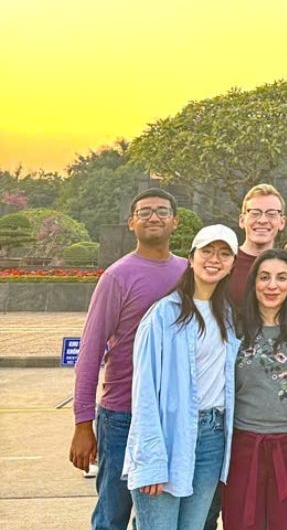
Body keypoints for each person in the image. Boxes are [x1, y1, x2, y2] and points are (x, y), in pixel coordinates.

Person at [70, 188, 187, 530]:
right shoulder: (117, 277)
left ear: (175, 222)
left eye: (162, 211)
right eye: (145, 211)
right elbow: (90, 353)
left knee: (156, 515)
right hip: (123, 413)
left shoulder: (189, 272)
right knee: (113, 512)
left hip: (171, 415)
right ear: (131, 222)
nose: (154, 217)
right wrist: (82, 424)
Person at [123, 225, 241, 529]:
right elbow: (144, 391)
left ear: (231, 265)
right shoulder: (163, 315)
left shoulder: (228, 316)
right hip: (169, 437)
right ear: (191, 257)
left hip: (212, 438)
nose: (215, 259)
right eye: (207, 251)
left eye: (224, 253)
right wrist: (151, 462)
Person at [222, 249, 287, 529]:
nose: (272, 285)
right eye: (264, 277)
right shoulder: (235, 330)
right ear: (253, 282)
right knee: (242, 522)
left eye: (281, 278)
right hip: (243, 446)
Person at [228, 184, 287, 303]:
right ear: (242, 220)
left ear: (282, 222)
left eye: (271, 214)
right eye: (255, 213)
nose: (262, 221)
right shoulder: (225, 264)